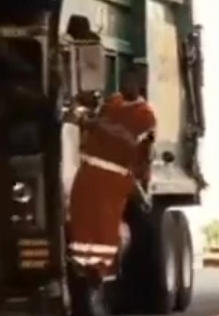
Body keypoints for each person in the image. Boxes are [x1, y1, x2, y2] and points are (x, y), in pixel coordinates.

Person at [66, 65, 158, 273]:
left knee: (104, 222)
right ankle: (81, 263)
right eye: (123, 81)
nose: (125, 86)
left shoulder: (145, 115)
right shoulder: (113, 102)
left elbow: (124, 139)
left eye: (131, 82)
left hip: (114, 174)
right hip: (90, 168)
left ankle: (100, 266)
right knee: (82, 216)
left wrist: (89, 123)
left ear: (141, 85)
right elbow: (99, 121)